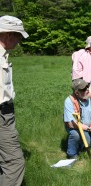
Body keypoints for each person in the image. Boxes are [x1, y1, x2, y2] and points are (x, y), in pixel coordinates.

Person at [0, 15, 28, 186]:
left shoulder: (3, 55)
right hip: (1, 116)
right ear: (8, 34)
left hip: (5, 114)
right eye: (18, 36)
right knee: (14, 163)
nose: (19, 41)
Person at [64, 79, 91, 159]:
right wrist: (90, 129)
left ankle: (83, 148)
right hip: (76, 128)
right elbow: (71, 123)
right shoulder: (69, 101)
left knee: (90, 145)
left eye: (87, 86)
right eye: (84, 89)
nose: (87, 89)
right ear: (77, 92)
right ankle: (72, 154)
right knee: (75, 135)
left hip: (90, 126)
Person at [72, 36, 91, 101]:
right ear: (89, 46)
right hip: (86, 83)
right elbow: (78, 72)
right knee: (90, 101)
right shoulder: (84, 56)